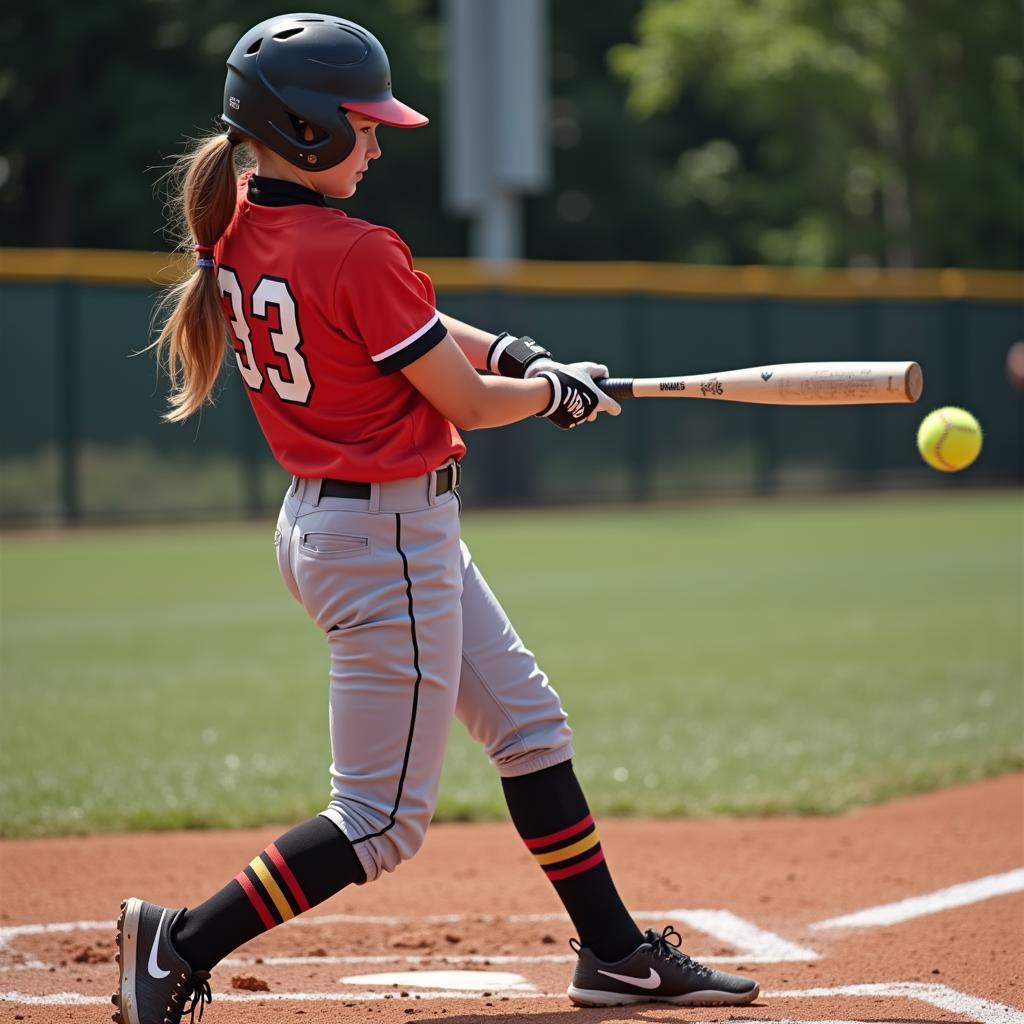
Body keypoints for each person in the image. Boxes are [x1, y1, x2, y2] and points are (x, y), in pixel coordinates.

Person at [112, 13, 759, 1023]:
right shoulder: (357, 247)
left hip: (344, 526)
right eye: (362, 128)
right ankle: (179, 943)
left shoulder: (238, 218)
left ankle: (615, 953)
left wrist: (516, 354)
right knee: (377, 821)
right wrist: (551, 394)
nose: (376, 145)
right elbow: (458, 401)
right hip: (386, 544)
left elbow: (422, 337)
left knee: (530, 728)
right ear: (309, 131)